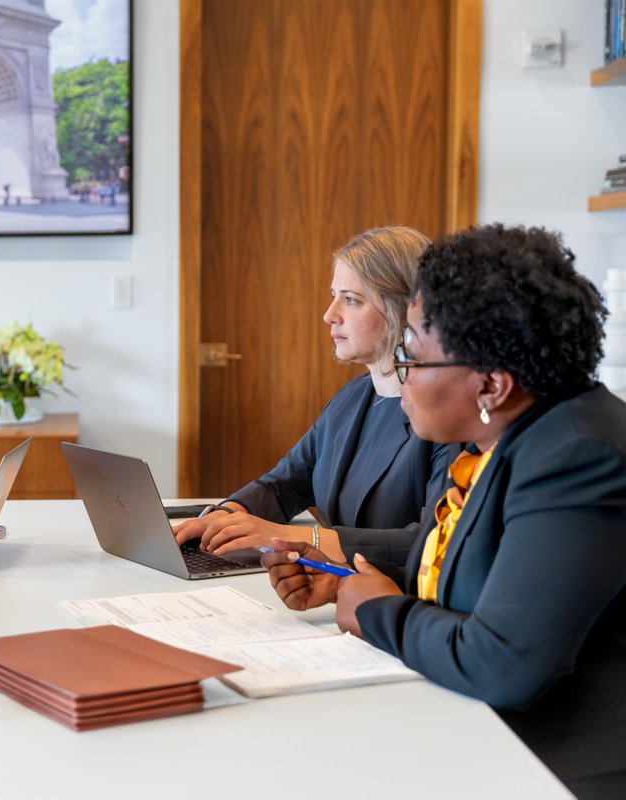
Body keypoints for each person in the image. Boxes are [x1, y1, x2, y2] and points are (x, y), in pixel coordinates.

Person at [263, 224, 626, 799]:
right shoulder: (518, 440)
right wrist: (341, 578)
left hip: (554, 769)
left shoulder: (579, 457)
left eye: (412, 354)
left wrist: (378, 610)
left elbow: (502, 661)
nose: (398, 373)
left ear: (491, 385)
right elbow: (483, 570)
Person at [175, 226, 458, 563]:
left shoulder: (451, 417)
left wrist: (296, 536)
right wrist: (223, 516)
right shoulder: (352, 397)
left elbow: (434, 541)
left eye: (351, 300)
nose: (329, 315)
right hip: (333, 589)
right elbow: (285, 483)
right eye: (333, 295)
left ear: (405, 309)